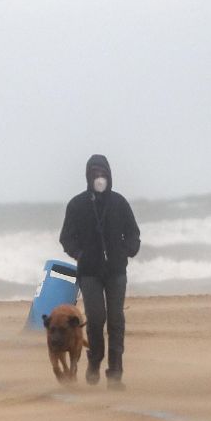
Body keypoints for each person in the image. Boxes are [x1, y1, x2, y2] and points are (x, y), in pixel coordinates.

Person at [59, 154, 140, 389]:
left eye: (103, 174)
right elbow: (66, 237)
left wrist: (127, 250)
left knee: (116, 319)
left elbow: (133, 232)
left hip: (116, 271)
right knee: (96, 319)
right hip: (90, 272)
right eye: (95, 174)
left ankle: (115, 373)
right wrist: (79, 253)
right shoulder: (77, 204)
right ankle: (94, 361)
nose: (99, 178)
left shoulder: (119, 203)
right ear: (88, 176)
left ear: (109, 175)